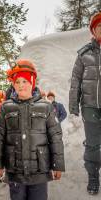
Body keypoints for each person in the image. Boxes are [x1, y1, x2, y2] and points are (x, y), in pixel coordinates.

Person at [0, 59, 65, 200]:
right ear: (13, 85)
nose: (21, 85)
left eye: (25, 81)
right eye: (17, 82)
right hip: (15, 171)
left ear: (32, 81)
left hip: (39, 170)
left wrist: (57, 165)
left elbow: (55, 137)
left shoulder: (46, 107)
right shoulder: (6, 107)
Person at [69, 11, 101, 195]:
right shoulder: (84, 53)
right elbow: (75, 80)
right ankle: (93, 177)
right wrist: (73, 104)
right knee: (93, 144)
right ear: (93, 30)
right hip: (90, 106)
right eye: (99, 27)